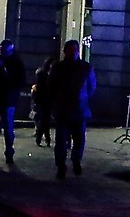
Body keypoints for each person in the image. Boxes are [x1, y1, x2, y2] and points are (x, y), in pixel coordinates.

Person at [50, 40, 95, 178]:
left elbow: (91, 86)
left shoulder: (85, 68)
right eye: (71, 50)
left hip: (78, 108)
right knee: (62, 139)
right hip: (65, 108)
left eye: (75, 50)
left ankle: (74, 160)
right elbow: (51, 86)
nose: (73, 52)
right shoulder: (59, 67)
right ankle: (62, 165)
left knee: (78, 138)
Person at [0, 43, 27, 160]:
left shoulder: (16, 63)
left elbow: (20, 80)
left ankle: (9, 151)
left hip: (9, 99)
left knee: (8, 127)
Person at [30, 48, 56, 147]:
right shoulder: (44, 74)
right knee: (45, 120)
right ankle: (44, 138)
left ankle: (43, 138)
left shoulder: (43, 73)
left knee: (45, 120)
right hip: (44, 99)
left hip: (45, 99)